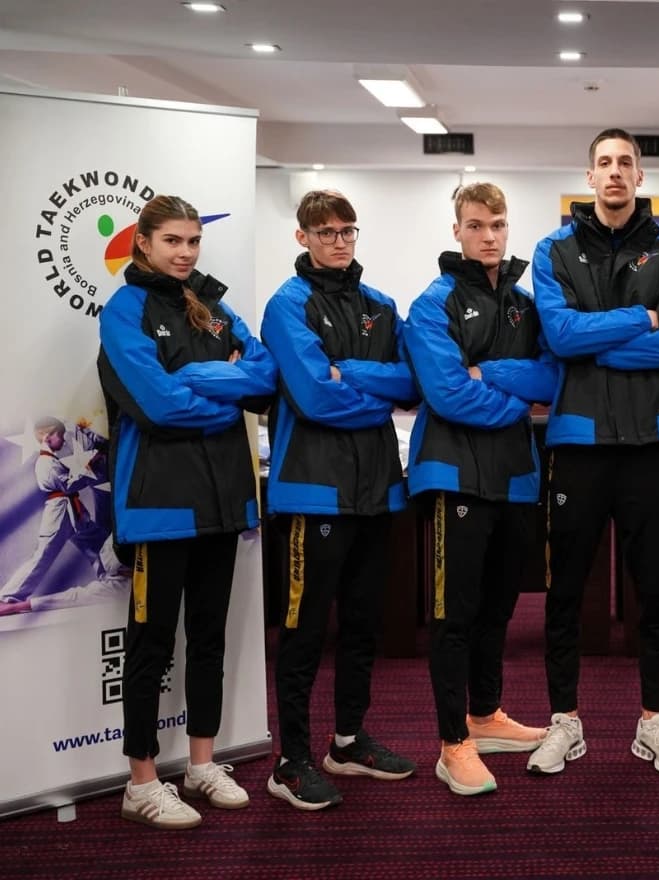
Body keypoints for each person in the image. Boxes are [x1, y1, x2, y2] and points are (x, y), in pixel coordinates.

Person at [97, 194, 277, 829]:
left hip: (222, 499)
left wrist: (198, 379)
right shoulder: (124, 310)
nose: (185, 252)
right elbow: (159, 404)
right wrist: (223, 390)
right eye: (172, 240)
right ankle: (141, 781)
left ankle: (202, 763)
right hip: (159, 505)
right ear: (143, 242)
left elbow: (264, 377)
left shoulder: (215, 306)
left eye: (193, 241)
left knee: (208, 636)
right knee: (150, 645)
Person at [527, 128, 659, 776]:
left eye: (626, 162)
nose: (616, 172)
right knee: (566, 592)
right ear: (590, 175)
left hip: (650, 443)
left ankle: (654, 722)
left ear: (640, 175)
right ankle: (564, 722)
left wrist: (595, 343)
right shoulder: (554, 249)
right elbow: (559, 335)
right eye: (605, 162)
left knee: (653, 591)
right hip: (578, 441)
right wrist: (640, 318)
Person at [261, 189, 418, 810]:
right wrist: (370, 393)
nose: (339, 241)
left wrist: (346, 372)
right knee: (303, 632)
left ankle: (347, 742)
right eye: (325, 232)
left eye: (348, 230)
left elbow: (411, 383)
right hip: (314, 491)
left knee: (362, 624)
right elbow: (312, 398)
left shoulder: (381, 305)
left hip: (376, 490)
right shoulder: (287, 305)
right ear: (302, 237)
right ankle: (291, 760)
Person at [401, 183, 556, 796]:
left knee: (498, 609)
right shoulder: (432, 304)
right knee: (454, 615)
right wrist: (516, 399)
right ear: (457, 231)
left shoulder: (526, 304)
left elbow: (551, 377)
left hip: (515, 477)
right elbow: (447, 394)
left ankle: (485, 715)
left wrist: (489, 371)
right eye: (475, 226)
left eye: (497, 225)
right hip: (454, 475)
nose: (488, 236)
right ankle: (452, 743)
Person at [0, 416, 124, 611]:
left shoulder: (52, 460)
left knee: (96, 540)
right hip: (59, 512)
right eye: (60, 435)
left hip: (72, 509)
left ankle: (109, 574)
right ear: (47, 437)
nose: (64, 439)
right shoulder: (45, 462)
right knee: (44, 553)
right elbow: (67, 485)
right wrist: (88, 467)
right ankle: (8, 597)